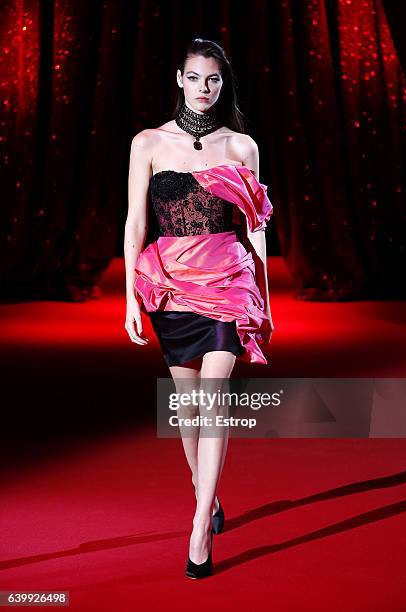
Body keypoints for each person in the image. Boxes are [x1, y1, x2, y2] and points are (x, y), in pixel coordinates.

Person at [124, 38, 274, 579]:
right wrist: (128, 299)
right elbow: (135, 226)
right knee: (186, 411)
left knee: (213, 402)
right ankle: (206, 499)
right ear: (181, 81)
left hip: (228, 281)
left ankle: (196, 531)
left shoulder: (241, 147)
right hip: (170, 284)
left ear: (222, 83)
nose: (204, 88)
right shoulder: (149, 143)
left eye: (213, 79)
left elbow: (255, 230)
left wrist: (265, 300)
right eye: (195, 78)